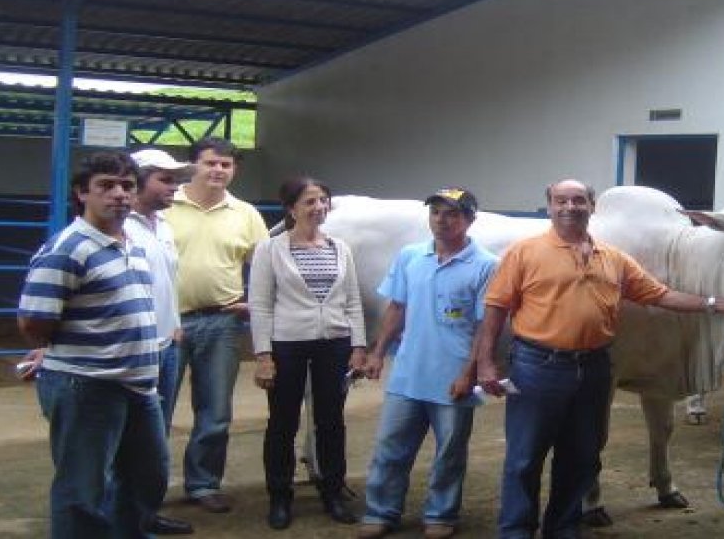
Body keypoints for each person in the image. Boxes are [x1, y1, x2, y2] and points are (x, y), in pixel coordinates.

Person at [471, 179, 724, 539]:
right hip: (539, 367)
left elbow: (660, 294)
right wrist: (485, 363)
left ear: (593, 206)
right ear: (549, 207)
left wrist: (719, 304)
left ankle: (563, 528)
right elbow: (496, 308)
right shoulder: (524, 252)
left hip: (593, 368)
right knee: (525, 458)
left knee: (580, 456)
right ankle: (515, 531)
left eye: (578, 200)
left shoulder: (613, 258)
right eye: (561, 200)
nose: (570, 207)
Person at [17, 151, 168, 538]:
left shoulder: (131, 243)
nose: (118, 194)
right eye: (105, 185)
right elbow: (33, 323)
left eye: (126, 186)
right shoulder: (68, 249)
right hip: (86, 385)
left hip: (137, 385)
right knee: (82, 492)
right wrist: (65, 348)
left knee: (146, 480)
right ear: (82, 193)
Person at [358, 187, 499, 539]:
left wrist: (469, 372)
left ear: (469, 220)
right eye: (436, 212)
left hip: (453, 377)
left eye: (452, 213)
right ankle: (380, 511)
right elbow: (397, 308)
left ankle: (440, 514)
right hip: (408, 372)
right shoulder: (410, 256)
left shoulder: (486, 265)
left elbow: (485, 326)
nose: (442, 220)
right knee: (390, 447)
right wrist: (378, 352)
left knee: (449, 453)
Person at [249, 177, 367, 529]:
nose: (319, 208)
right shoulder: (270, 249)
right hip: (287, 344)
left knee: (331, 421)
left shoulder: (339, 247)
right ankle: (280, 496)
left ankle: (332, 490)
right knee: (282, 422)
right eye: (310, 201)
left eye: (323, 201)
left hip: (334, 343)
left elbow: (353, 300)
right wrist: (264, 356)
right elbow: (260, 306)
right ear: (291, 208)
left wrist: (358, 345)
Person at [164, 136, 269, 513]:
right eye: (211, 163)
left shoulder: (245, 213)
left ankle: (203, 484)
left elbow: (264, 265)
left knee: (215, 411)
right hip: (167, 325)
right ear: (193, 165)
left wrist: (253, 304)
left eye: (226, 165)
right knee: (155, 408)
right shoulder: (164, 205)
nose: (218, 171)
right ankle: (145, 486)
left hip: (222, 323)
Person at [126, 148, 196, 536]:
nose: (175, 187)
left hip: (167, 345)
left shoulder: (162, 226)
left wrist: (175, 325)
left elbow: (164, 282)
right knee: (130, 440)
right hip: (137, 349)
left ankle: (144, 513)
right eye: (165, 180)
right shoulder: (122, 228)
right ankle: (122, 518)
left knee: (156, 437)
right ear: (139, 180)